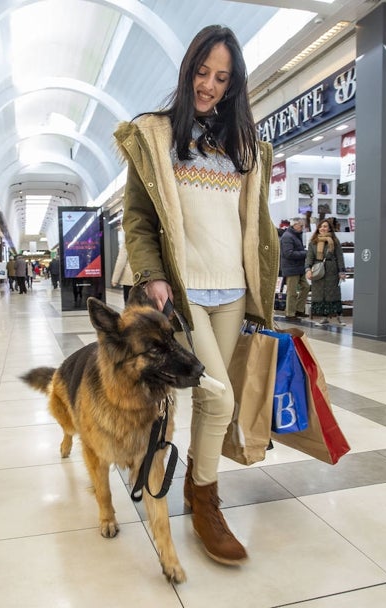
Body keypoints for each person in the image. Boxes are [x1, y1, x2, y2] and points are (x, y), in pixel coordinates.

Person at [114, 24, 278, 566]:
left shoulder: (244, 146)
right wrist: (152, 273)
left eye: (222, 78)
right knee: (220, 396)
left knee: (215, 400)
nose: (209, 85)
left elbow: (251, 221)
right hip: (183, 292)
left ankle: (199, 488)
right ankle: (205, 502)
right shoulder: (156, 135)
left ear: (234, 85)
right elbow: (137, 217)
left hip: (233, 290)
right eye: (203, 72)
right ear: (188, 71)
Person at [306, 217, 346, 326]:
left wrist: (341, 271)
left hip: (332, 271)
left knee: (334, 294)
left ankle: (339, 317)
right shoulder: (313, 242)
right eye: (321, 226)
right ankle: (324, 317)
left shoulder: (334, 241)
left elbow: (339, 256)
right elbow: (309, 257)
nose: (322, 228)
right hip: (318, 271)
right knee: (320, 294)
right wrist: (308, 269)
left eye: (325, 226)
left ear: (329, 229)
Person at [279, 218, 309, 321]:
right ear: (295, 225)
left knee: (306, 287)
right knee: (292, 292)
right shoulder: (287, 237)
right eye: (301, 226)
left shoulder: (295, 236)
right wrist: (305, 253)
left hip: (298, 267)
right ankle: (290, 313)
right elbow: (288, 253)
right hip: (291, 267)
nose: (302, 228)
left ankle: (298, 309)